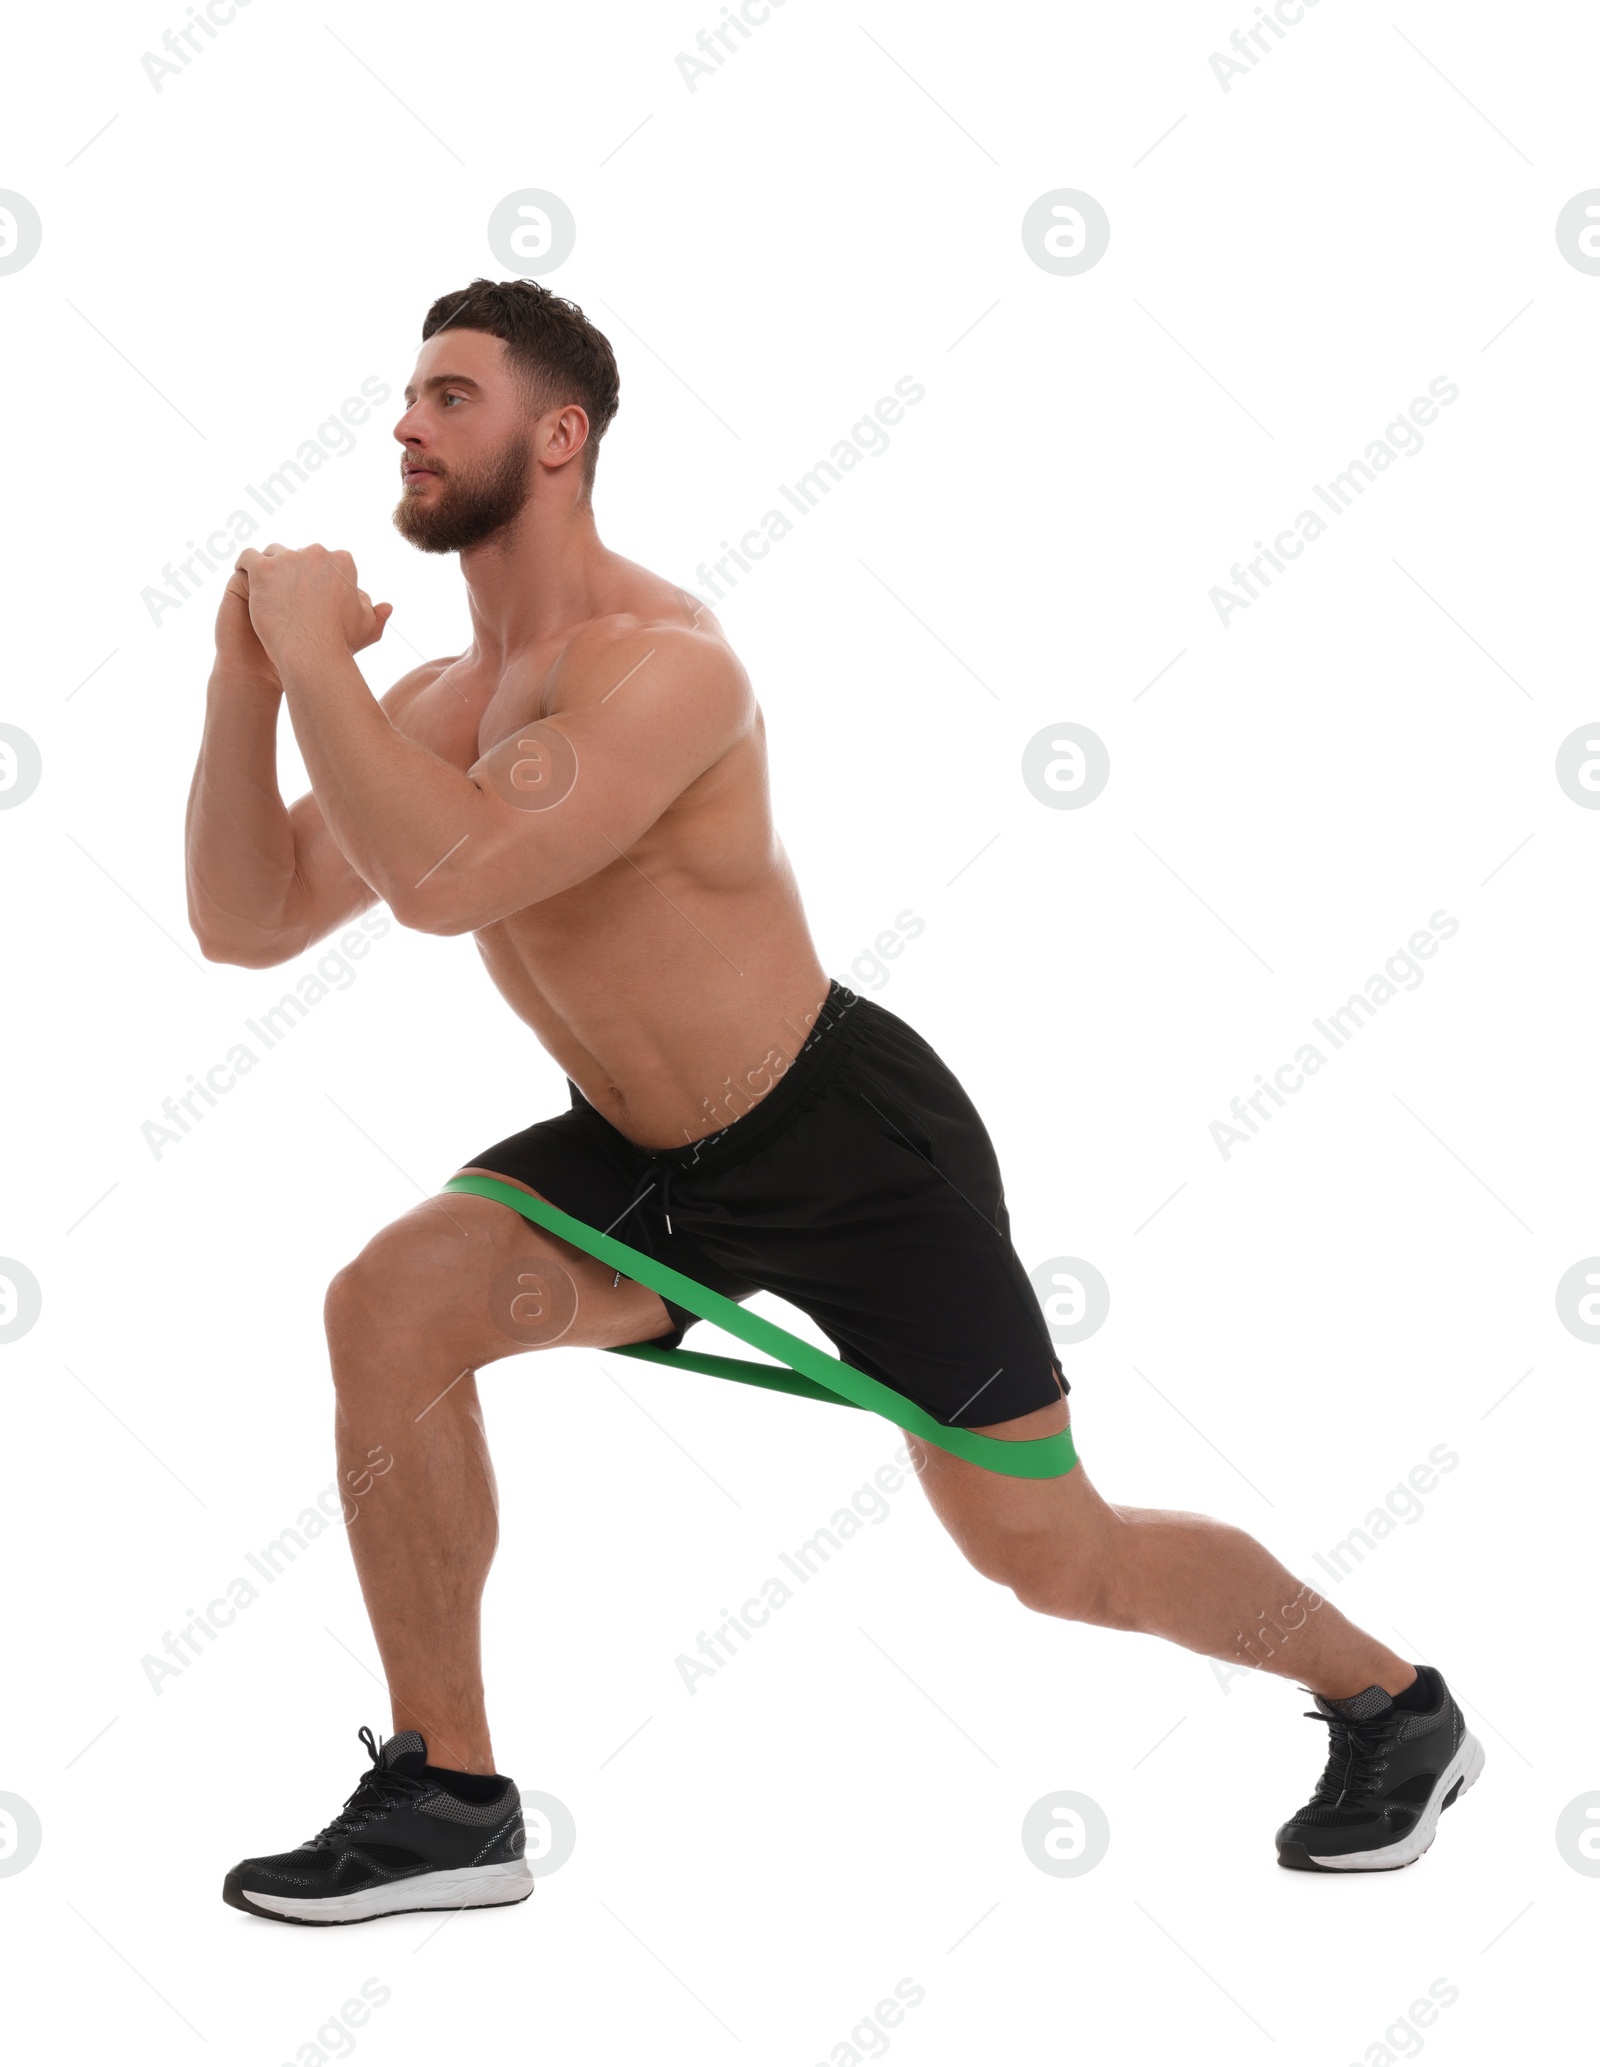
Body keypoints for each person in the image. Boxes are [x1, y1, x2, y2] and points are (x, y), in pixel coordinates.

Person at [186, 278, 1481, 1925]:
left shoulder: (665, 670)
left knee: (1050, 1556)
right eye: (410, 395)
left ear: (560, 437)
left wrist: (313, 660)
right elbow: (244, 920)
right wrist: (250, 678)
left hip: (849, 1142)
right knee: (390, 1304)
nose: (406, 423)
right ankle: (450, 1795)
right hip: (644, 1154)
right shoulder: (441, 702)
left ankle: (1396, 1707)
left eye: (451, 396)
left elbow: (442, 882)